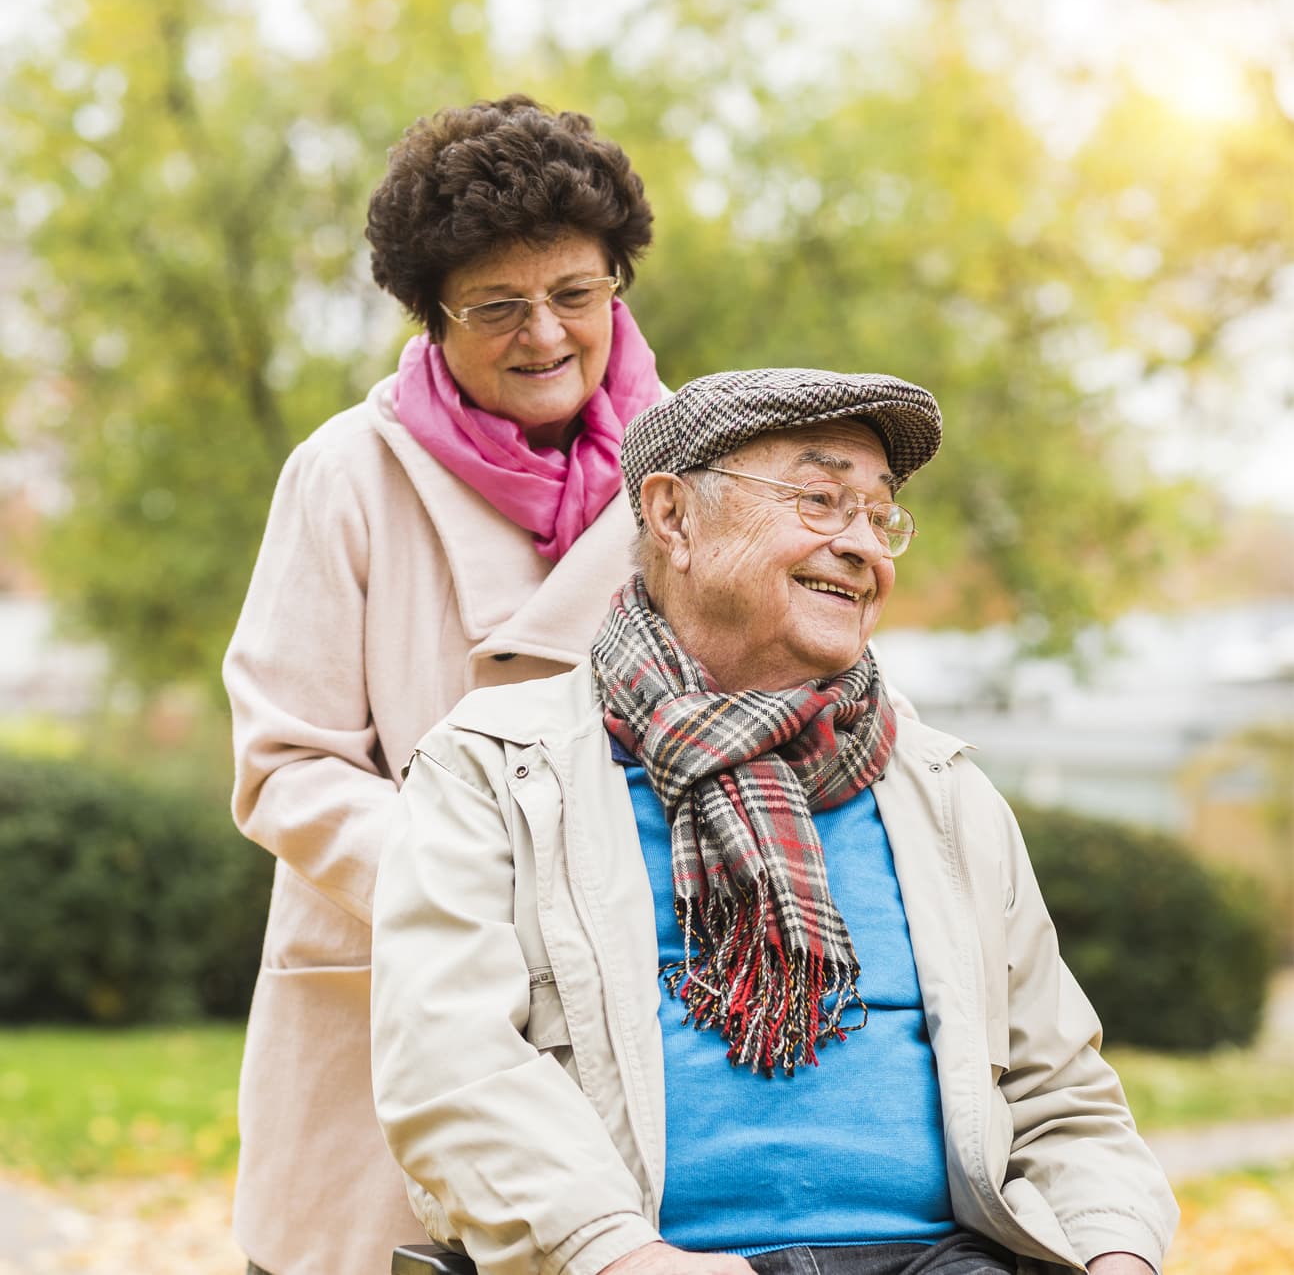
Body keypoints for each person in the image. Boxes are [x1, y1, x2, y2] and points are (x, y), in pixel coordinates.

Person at [370, 368, 1179, 1275]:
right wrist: (619, 1258)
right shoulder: (495, 767)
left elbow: (1061, 1094)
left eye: (880, 516)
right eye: (822, 499)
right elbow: (453, 1068)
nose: (864, 547)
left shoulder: (944, 789)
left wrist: (1116, 1252)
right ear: (672, 516)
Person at [223, 94, 662, 1275]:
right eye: (497, 308)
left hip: (636, 1021)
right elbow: (284, 765)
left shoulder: (694, 477)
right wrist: (471, 891)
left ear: (617, 283)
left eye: (575, 294)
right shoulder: (345, 474)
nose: (546, 335)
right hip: (394, 1007)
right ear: (430, 318)